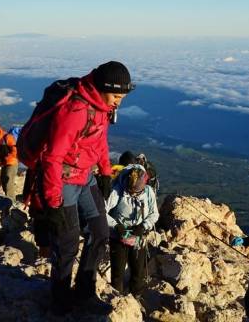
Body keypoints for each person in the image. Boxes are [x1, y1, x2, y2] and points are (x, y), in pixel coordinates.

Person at [39, 61, 134, 316]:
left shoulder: (101, 106)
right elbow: (51, 157)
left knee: (101, 233)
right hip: (64, 180)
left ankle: (84, 292)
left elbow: (99, 141)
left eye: (122, 97)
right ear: (104, 88)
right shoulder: (76, 110)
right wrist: (53, 200)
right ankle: (59, 299)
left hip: (86, 177)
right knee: (67, 242)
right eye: (116, 96)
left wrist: (104, 171)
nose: (118, 102)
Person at [106, 164, 159, 295]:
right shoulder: (117, 190)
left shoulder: (148, 192)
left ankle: (136, 296)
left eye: (135, 192)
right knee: (117, 271)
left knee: (138, 270)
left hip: (138, 234)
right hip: (118, 234)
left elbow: (154, 214)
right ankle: (115, 298)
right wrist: (116, 226)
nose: (132, 194)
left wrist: (143, 226)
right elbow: (102, 211)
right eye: (130, 191)